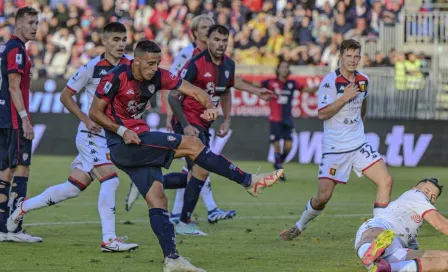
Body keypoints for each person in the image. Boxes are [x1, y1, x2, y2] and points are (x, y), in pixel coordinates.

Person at [88, 40, 283, 271]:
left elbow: (194, 90)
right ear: (136, 61)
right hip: (124, 143)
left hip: (138, 141)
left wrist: (209, 106)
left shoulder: (158, 76)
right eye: (150, 63)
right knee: (193, 144)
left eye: (158, 63)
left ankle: (172, 259)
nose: (154, 68)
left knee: (158, 199)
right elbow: (94, 113)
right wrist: (122, 130)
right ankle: (249, 181)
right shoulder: (115, 77)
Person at [125, 15, 276, 226]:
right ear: (199, 34)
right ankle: (188, 218)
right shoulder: (192, 59)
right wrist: (181, 122)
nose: (218, 42)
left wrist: (230, 116)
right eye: (211, 34)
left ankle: (158, 193)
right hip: (188, 120)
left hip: (204, 122)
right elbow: (173, 88)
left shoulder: (228, 64)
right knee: (201, 169)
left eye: (223, 40)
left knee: (196, 172)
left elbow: (226, 89)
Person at [7, 22, 139, 251]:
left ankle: (22, 207)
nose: (120, 44)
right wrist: (85, 119)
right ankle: (109, 240)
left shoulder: (130, 66)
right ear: (104, 41)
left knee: (72, 188)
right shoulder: (93, 66)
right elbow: (66, 96)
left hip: (111, 135)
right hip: (91, 134)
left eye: (123, 39)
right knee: (111, 180)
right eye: (115, 39)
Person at [280, 39, 393, 241]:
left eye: (356, 56)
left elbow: (363, 102)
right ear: (340, 57)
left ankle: (378, 233)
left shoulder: (364, 80)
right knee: (323, 197)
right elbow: (322, 114)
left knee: (385, 180)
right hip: (334, 148)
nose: (352, 60)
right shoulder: (329, 82)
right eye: (348, 56)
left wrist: (361, 121)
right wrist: (344, 97)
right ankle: (299, 226)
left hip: (358, 144)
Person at [0, 6, 41, 243]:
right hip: (15, 119)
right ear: (18, 24)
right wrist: (25, 119)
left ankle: (3, 228)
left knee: (5, 171)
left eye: (37, 23)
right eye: (31, 23)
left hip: (5, 116)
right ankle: (15, 228)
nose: (35, 27)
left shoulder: (12, 47)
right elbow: (14, 86)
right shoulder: (17, 49)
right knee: (22, 169)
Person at [354, 178, 448, 272]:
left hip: (397, 249)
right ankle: (368, 252)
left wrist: (414, 251)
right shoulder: (416, 195)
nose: (428, 196)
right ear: (414, 188)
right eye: (426, 191)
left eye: (433, 197)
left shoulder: (418, 213)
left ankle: (385, 267)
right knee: (377, 234)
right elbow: (440, 224)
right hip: (381, 228)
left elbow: (412, 242)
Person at [262, 60, 317, 181]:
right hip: (274, 119)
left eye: (286, 67)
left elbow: (309, 90)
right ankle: (279, 170)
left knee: (289, 146)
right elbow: (255, 86)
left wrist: (320, 86)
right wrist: (241, 82)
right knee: (276, 144)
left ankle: (278, 162)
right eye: (282, 67)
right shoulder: (270, 82)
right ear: (278, 69)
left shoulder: (292, 83)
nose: (284, 69)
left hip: (287, 118)